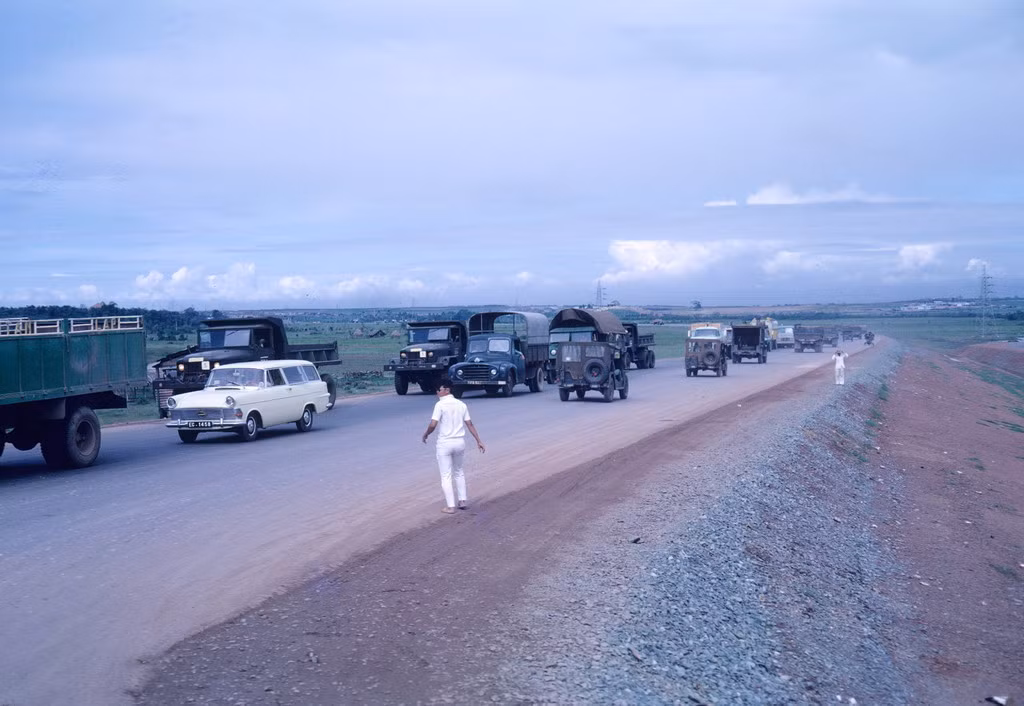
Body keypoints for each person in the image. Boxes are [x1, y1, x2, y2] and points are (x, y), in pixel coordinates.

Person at [422, 378, 485, 514]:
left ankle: (450, 506)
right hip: (459, 443)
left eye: (439, 389)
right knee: (459, 472)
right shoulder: (461, 404)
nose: (437, 392)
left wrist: (426, 434)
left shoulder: (440, 405)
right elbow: (470, 424)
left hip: (445, 443)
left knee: (446, 475)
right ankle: (462, 501)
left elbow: (433, 424)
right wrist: (478, 440)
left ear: (446, 390)